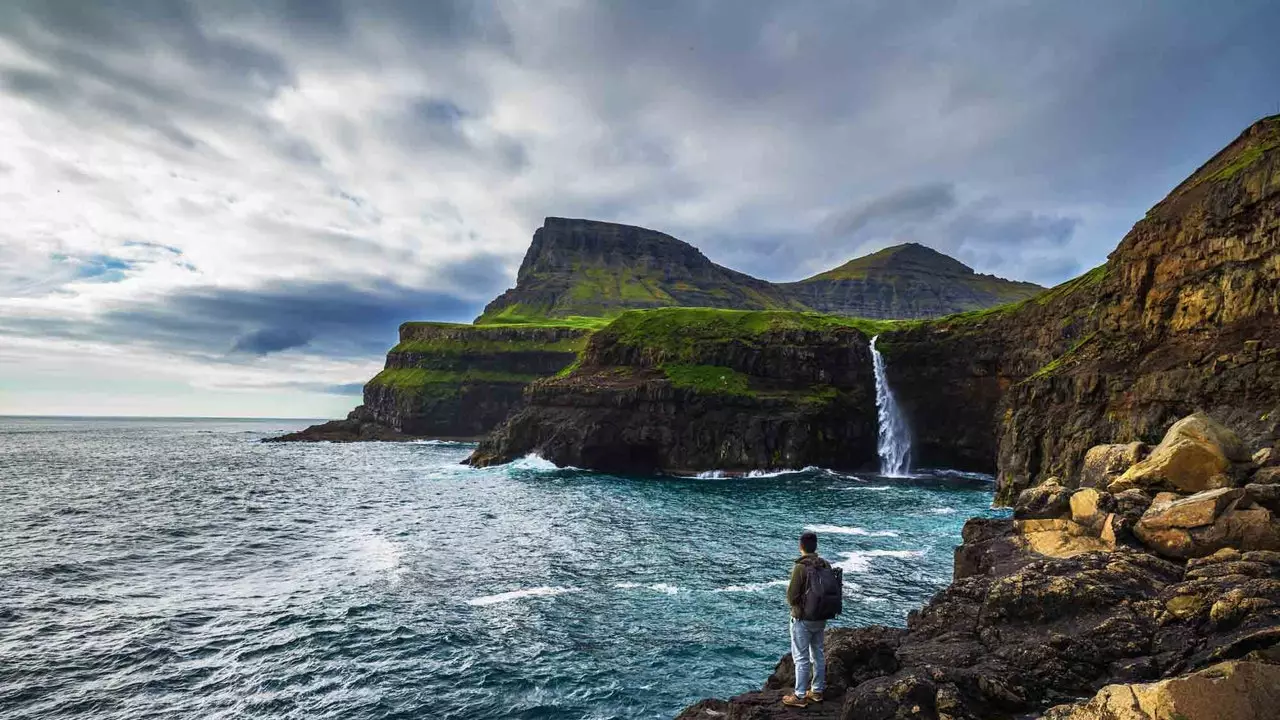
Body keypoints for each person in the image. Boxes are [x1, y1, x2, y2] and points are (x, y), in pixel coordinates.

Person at [782, 530, 830, 707]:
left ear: (800, 546)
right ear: (815, 546)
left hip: (802, 618)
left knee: (801, 657)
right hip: (821, 617)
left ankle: (800, 696)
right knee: (818, 653)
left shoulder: (800, 567)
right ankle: (817, 691)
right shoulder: (825, 564)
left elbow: (791, 596)